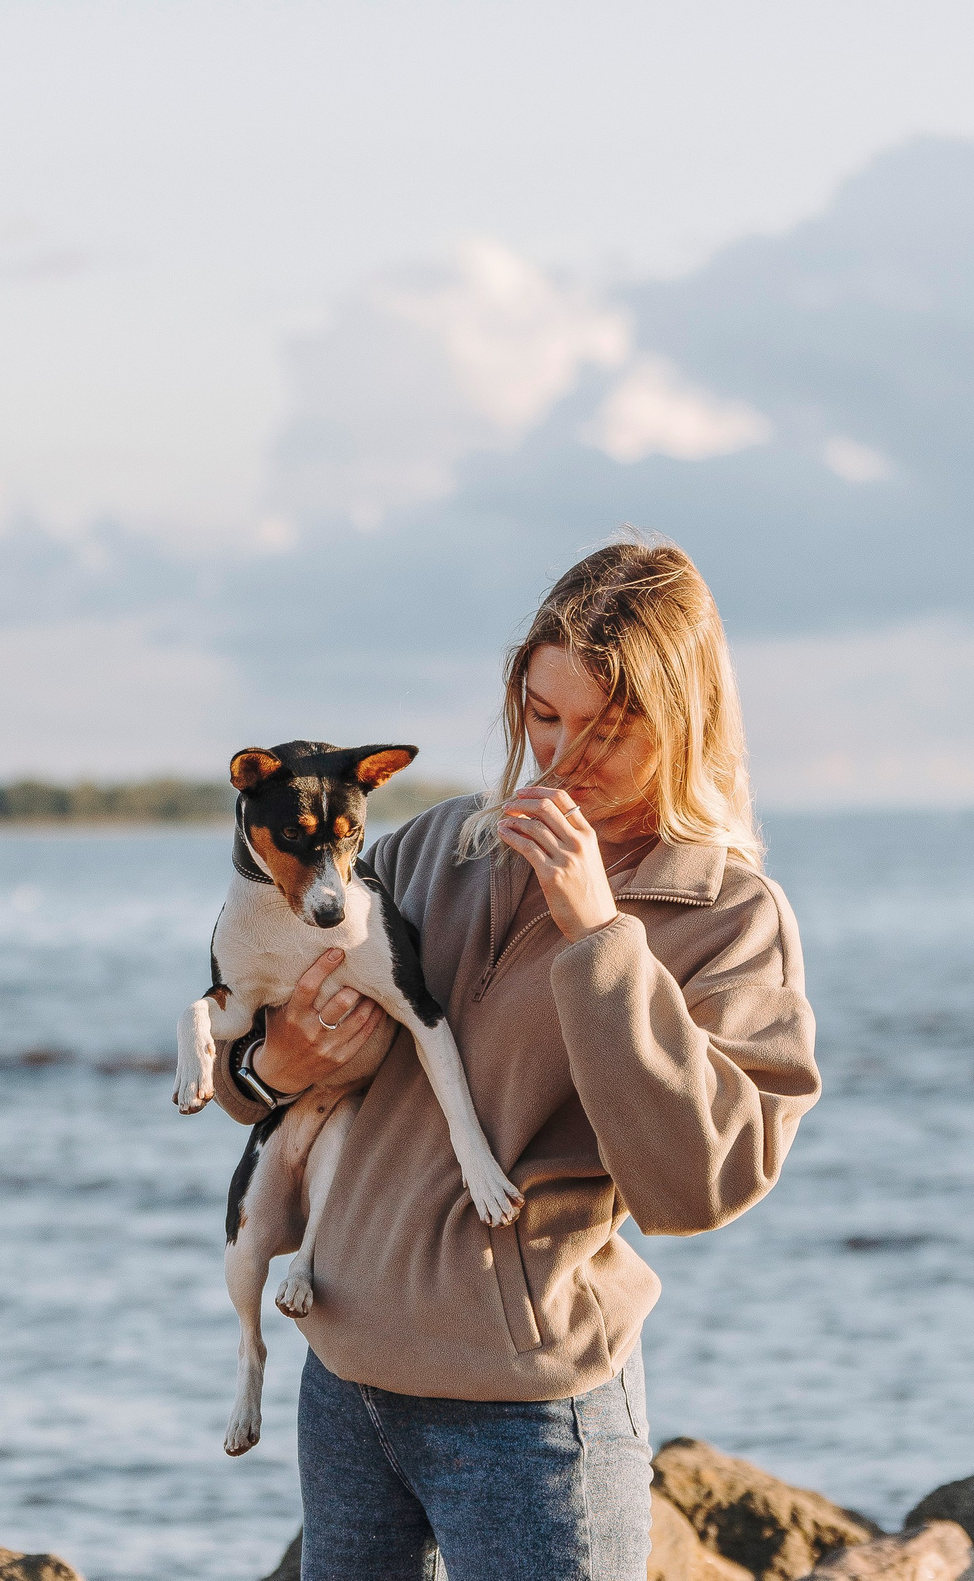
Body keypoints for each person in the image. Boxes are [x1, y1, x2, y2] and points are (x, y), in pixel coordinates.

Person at [207, 537, 822, 1581]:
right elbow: (236, 1086)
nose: (562, 756)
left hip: (528, 1418)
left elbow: (705, 1179)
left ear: (684, 723)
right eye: (543, 715)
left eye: (609, 727)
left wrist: (597, 937)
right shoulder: (427, 849)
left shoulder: (727, 916)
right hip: (346, 1380)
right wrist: (275, 1062)